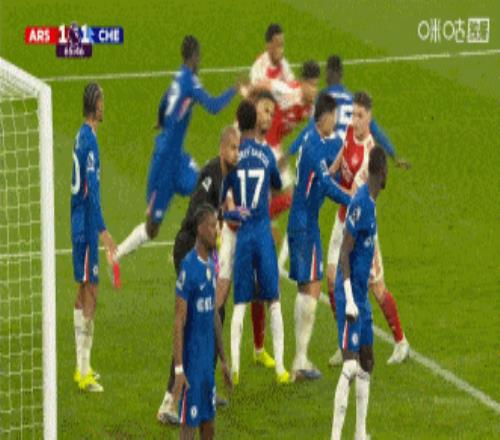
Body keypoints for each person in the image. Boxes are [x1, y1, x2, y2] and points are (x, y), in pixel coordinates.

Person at [114, 35, 239, 264]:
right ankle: (117, 254)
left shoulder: (179, 77)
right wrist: (235, 89)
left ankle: (184, 249)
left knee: (204, 192)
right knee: (152, 228)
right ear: (195, 57)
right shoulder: (190, 82)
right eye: (199, 58)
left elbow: (164, 102)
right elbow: (213, 106)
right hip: (164, 166)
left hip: (177, 159)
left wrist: (161, 121)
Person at [156, 126, 239, 425]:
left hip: (205, 253)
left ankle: (205, 388)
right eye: (232, 148)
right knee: (192, 320)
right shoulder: (210, 174)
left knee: (217, 312)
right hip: (189, 249)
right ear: (222, 148)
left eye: (238, 148)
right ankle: (169, 401)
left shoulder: (230, 176)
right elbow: (198, 217)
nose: (236, 153)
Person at [327, 92, 409, 366]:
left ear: (369, 117)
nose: (355, 120)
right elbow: (342, 153)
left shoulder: (369, 156)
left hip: (360, 229)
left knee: (377, 288)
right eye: (353, 114)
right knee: (332, 280)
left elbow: (352, 196)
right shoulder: (350, 132)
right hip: (342, 220)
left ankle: (401, 342)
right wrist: (330, 170)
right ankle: (344, 342)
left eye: (360, 116)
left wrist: (324, 185)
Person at [221, 100, 290, 385]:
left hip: (243, 235)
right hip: (262, 233)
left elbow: (224, 196)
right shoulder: (266, 153)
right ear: (256, 122)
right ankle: (281, 368)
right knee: (273, 300)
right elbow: (278, 185)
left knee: (240, 302)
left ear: (239, 123)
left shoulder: (234, 156)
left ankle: (235, 368)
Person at [287, 93, 351, 381]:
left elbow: (326, 172)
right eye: (333, 117)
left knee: (306, 288)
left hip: (299, 219)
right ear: (324, 117)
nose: (335, 122)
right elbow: (326, 185)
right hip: (306, 224)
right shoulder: (314, 147)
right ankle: (300, 359)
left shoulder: (310, 140)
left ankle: (299, 358)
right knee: (312, 289)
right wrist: (352, 199)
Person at [330, 146, 388, 440]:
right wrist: (350, 300)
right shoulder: (361, 203)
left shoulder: (371, 203)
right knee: (350, 366)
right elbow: (344, 251)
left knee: (367, 361)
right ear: (382, 173)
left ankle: (360, 432)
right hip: (349, 294)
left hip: (361, 296)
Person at [71, 82, 118, 392]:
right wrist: (103, 232)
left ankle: (82, 367)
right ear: (95, 105)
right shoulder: (90, 141)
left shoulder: (82, 135)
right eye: (102, 100)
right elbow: (91, 191)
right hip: (87, 225)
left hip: (78, 221)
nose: (104, 105)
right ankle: (84, 370)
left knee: (83, 290)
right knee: (92, 292)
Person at [171, 204, 232, 439]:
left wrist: (223, 360)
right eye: (212, 226)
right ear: (200, 229)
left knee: (209, 427)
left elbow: (213, 313)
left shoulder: (210, 264)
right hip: (192, 369)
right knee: (188, 429)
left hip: (208, 367)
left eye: (218, 225)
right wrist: (179, 370)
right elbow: (179, 321)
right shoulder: (189, 267)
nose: (217, 231)